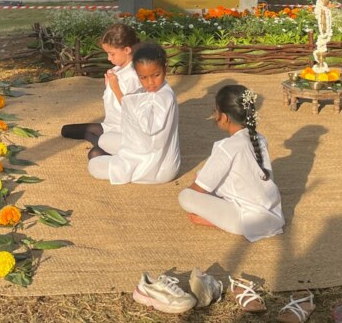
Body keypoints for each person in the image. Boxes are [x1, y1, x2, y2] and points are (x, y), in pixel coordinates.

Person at [178, 85, 284, 242]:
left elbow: (197, 189)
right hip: (273, 215)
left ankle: (216, 221)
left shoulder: (226, 147)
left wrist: (196, 188)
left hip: (247, 220)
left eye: (216, 110)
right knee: (202, 175)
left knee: (185, 197)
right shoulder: (260, 139)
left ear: (225, 117)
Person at [88, 43, 181, 185]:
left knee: (94, 163)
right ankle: (115, 156)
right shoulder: (156, 90)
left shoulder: (164, 97)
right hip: (142, 147)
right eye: (143, 77)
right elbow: (131, 106)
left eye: (156, 75)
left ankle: (121, 162)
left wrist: (116, 88)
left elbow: (147, 128)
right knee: (104, 139)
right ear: (137, 75)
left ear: (165, 69)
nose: (150, 82)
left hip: (155, 167)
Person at [60, 24, 142, 159]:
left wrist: (115, 87)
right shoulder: (117, 69)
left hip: (125, 130)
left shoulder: (134, 75)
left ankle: (103, 144)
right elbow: (112, 102)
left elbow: (132, 110)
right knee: (66, 130)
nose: (109, 58)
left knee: (94, 154)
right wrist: (107, 87)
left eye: (112, 54)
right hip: (110, 125)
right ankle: (95, 138)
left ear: (127, 49)